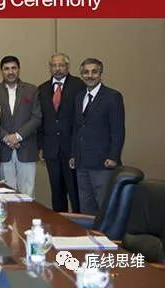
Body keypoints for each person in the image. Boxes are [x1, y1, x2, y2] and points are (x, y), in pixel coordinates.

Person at [72, 58, 125, 215]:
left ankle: (107, 233)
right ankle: (89, 232)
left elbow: (118, 130)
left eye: (94, 72)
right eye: (86, 72)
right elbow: (77, 128)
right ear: (81, 75)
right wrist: (74, 154)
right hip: (82, 163)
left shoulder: (112, 96)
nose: (90, 75)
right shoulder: (79, 97)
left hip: (103, 163)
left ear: (100, 74)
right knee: (86, 208)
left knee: (105, 208)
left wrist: (114, 156)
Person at [0, 55, 41, 197]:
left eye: (14, 68)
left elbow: (36, 118)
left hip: (26, 148)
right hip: (4, 150)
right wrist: (7, 137)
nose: (10, 72)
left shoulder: (32, 90)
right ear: (1, 71)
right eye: (6, 69)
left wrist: (17, 136)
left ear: (19, 70)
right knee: (7, 193)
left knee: (27, 193)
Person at [38, 53, 85, 213]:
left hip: (72, 148)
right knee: (57, 192)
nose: (57, 69)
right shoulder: (42, 89)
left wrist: (77, 147)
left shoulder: (79, 85)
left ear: (67, 66)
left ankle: (79, 224)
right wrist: (41, 146)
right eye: (54, 65)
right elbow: (41, 120)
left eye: (61, 65)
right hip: (51, 149)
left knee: (75, 192)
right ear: (50, 67)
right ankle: (60, 224)